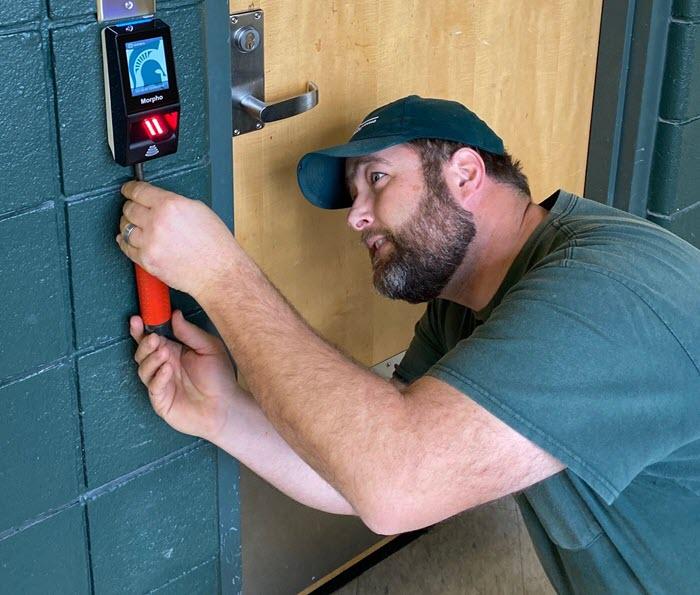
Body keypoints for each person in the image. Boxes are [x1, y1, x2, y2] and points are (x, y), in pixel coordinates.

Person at [117, 96, 700, 593]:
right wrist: (225, 413)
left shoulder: (604, 291)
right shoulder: (461, 307)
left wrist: (221, 274)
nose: (356, 219)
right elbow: (359, 464)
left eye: (376, 178)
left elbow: (396, 482)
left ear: (466, 174)